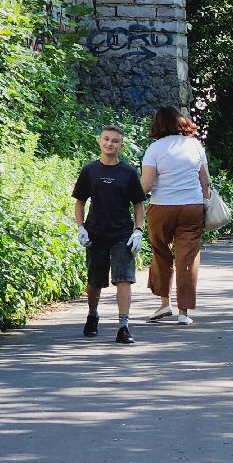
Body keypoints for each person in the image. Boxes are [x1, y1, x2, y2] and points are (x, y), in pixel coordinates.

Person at [72, 124, 147, 344]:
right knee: (94, 280)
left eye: (114, 141)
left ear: (121, 145)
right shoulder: (90, 170)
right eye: (106, 139)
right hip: (95, 233)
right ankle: (92, 315)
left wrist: (138, 230)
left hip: (122, 234)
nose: (109, 144)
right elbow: (79, 202)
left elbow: (139, 204)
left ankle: (123, 326)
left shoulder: (128, 172)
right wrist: (81, 227)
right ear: (99, 141)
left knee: (124, 278)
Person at [141, 106, 211, 326]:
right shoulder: (195, 145)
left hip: (161, 208)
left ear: (157, 124)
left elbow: (146, 185)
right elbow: (205, 181)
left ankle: (164, 303)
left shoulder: (154, 149)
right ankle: (183, 312)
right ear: (181, 122)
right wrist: (205, 203)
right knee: (187, 257)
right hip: (191, 207)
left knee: (160, 252)